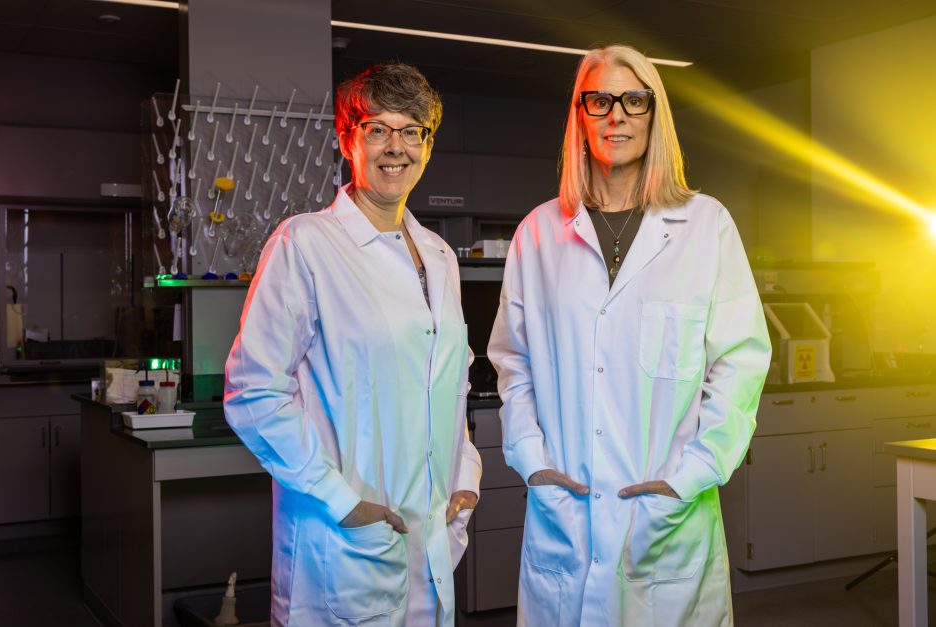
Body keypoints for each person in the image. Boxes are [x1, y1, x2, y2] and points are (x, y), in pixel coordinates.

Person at [488, 45, 771, 626]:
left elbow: (741, 365)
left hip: (668, 522)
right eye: (600, 100)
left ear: (653, 114)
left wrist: (689, 477)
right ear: (580, 115)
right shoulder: (538, 233)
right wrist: (531, 459)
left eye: (633, 100)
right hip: (566, 516)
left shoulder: (705, 226)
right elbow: (513, 363)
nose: (616, 115)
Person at [224, 63, 480, 627]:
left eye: (412, 130)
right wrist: (339, 500)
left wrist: (466, 476)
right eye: (377, 129)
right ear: (348, 140)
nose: (397, 147)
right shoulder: (305, 243)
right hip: (343, 547)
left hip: (429, 539)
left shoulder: (439, 256)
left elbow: (449, 386)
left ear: (427, 146)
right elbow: (252, 391)